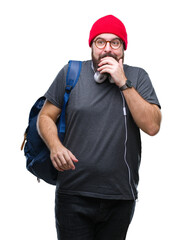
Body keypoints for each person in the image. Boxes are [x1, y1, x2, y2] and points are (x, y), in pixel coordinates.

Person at [37, 15, 161, 240]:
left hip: (120, 197)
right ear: (91, 46)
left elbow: (152, 126)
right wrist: (55, 146)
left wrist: (123, 82)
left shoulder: (138, 77)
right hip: (73, 194)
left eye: (115, 43)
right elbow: (45, 116)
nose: (107, 49)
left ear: (123, 48)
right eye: (100, 42)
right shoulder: (71, 72)